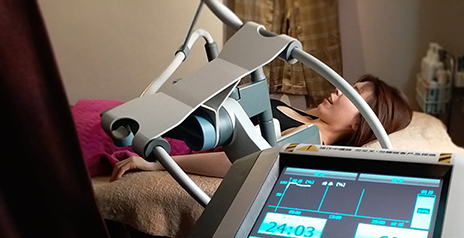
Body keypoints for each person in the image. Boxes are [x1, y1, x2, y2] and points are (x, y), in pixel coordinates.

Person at [110, 74, 412, 181]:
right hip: (168, 118)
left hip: (169, 139)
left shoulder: (311, 140)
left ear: (360, 122)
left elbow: (241, 161)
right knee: (109, 112)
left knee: (102, 124)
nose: (338, 89)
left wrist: (158, 163)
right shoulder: (307, 117)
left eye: (352, 93)